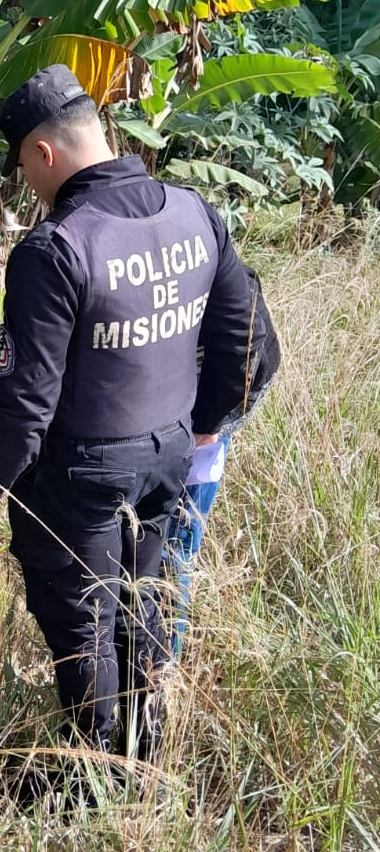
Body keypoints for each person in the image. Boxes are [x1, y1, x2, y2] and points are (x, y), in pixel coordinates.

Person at [0, 64, 278, 764]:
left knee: (84, 625)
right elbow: (248, 340)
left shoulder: (54, 249)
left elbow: (26, 403)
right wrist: (203, 423)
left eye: (24, 168)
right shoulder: (194, 213)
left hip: (82, 475)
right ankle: (144, 753)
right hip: (170, 454)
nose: (29, 185)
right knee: (140, 603)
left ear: (44, 152)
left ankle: (97, 780)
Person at [163, 279, 280, 655]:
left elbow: (253, 335)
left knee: (174, 546)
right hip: (156, 411)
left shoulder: (211, 259)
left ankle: (160, 669)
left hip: (201, 418)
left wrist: (209, 424)